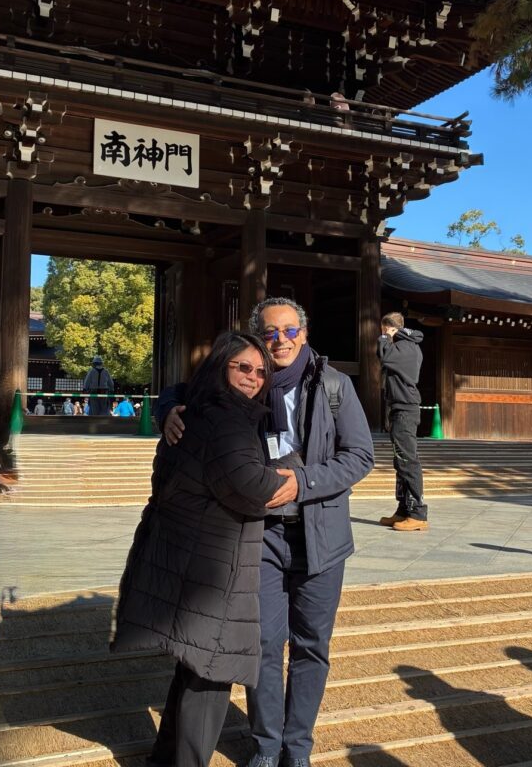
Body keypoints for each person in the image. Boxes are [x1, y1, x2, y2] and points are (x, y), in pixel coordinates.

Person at [160, 297, 374, 767]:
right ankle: (267, 745)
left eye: (290, 330)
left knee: (311, 646)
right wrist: (169, 409)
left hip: (321, 535)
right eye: (271, 332)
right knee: (263, 643)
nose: (281, 340)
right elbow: (184, 390)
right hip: (260, 534)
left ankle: (297, 748)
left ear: (304, 333)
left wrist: (303, 481)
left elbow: (361, 456)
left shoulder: (334, 385)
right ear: (258, 337)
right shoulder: (246, 380)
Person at [112, 332, 285, 767]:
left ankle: (163, 759)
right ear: (221, 366)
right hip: (214, 563)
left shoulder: (196, 408)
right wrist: (293, 477)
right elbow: (249, 485)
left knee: (192, 666)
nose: (253, 377)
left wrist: (168, 405)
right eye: (243, 367)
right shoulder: (228, 420)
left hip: (188, 553)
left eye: (260, 371)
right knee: (211, 672)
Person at [376, 312, 427, 531]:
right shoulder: (404, 346)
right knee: (400, 461)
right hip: (400, 407)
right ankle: (404, 509)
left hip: (406, 409)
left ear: (391, 328)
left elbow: (384, 354)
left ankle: (417, 513)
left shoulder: (406, 347)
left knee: (408, 461)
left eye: (384, 330)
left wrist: (385, 337)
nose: (382, 334)